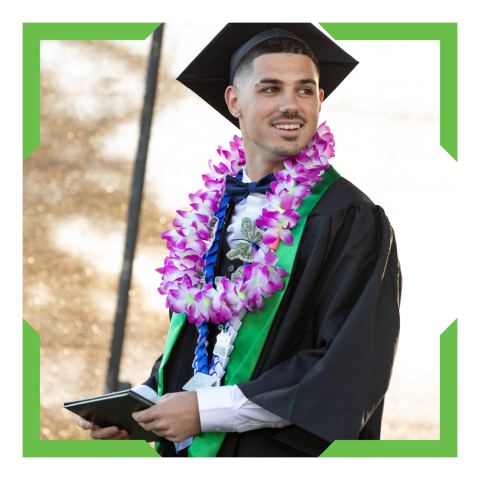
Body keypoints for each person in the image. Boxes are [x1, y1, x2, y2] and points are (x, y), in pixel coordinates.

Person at [77, 22, 401, 458]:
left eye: (305, 90)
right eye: (270, 89)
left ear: (321, 100)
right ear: (235, 101)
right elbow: (206, 339)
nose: (291, 105)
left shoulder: (349, 217)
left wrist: (205, 411)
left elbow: (348, 367)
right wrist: (145, 404)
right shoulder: (215, 210)